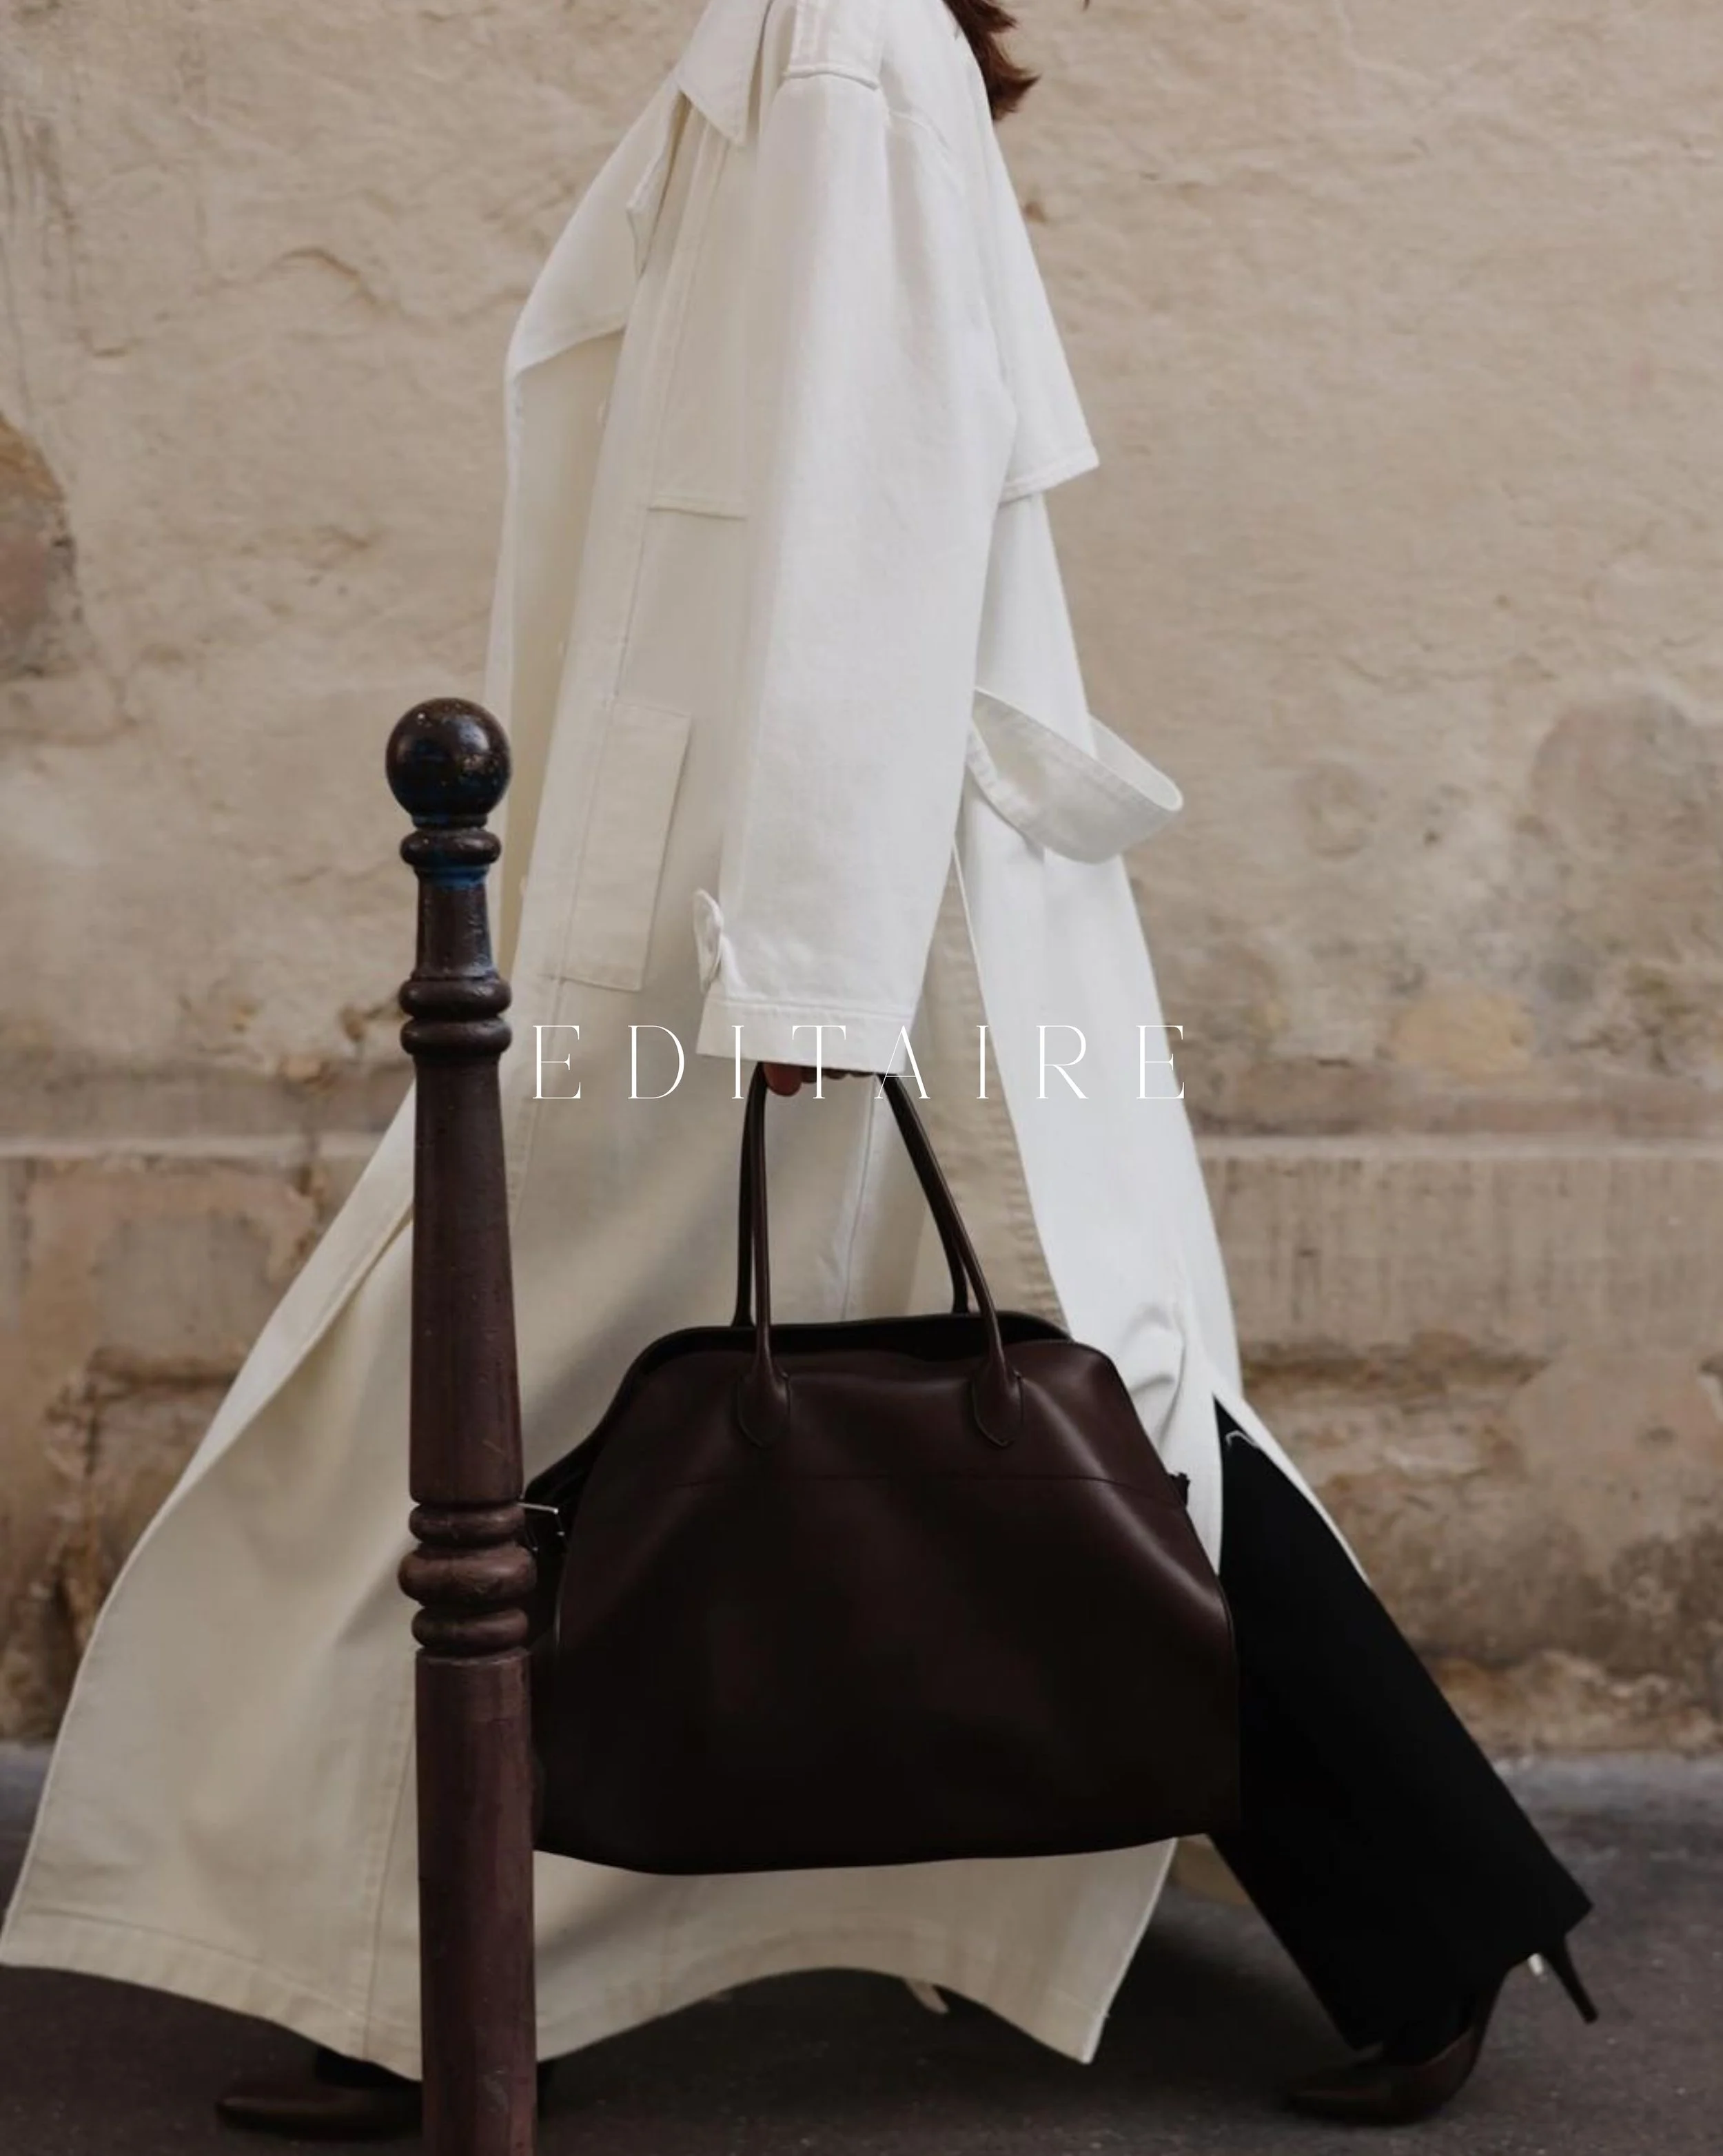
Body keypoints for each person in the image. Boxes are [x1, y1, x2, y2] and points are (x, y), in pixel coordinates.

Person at [1, 0, 1595, 2139]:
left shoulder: (836, 46)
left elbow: (870, 508)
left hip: (797, 908)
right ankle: (402, 1964)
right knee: (927, 1413)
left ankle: (409, 1969)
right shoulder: (795, 40)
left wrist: (811, 980)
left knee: (955, 1423)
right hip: (736, 879)